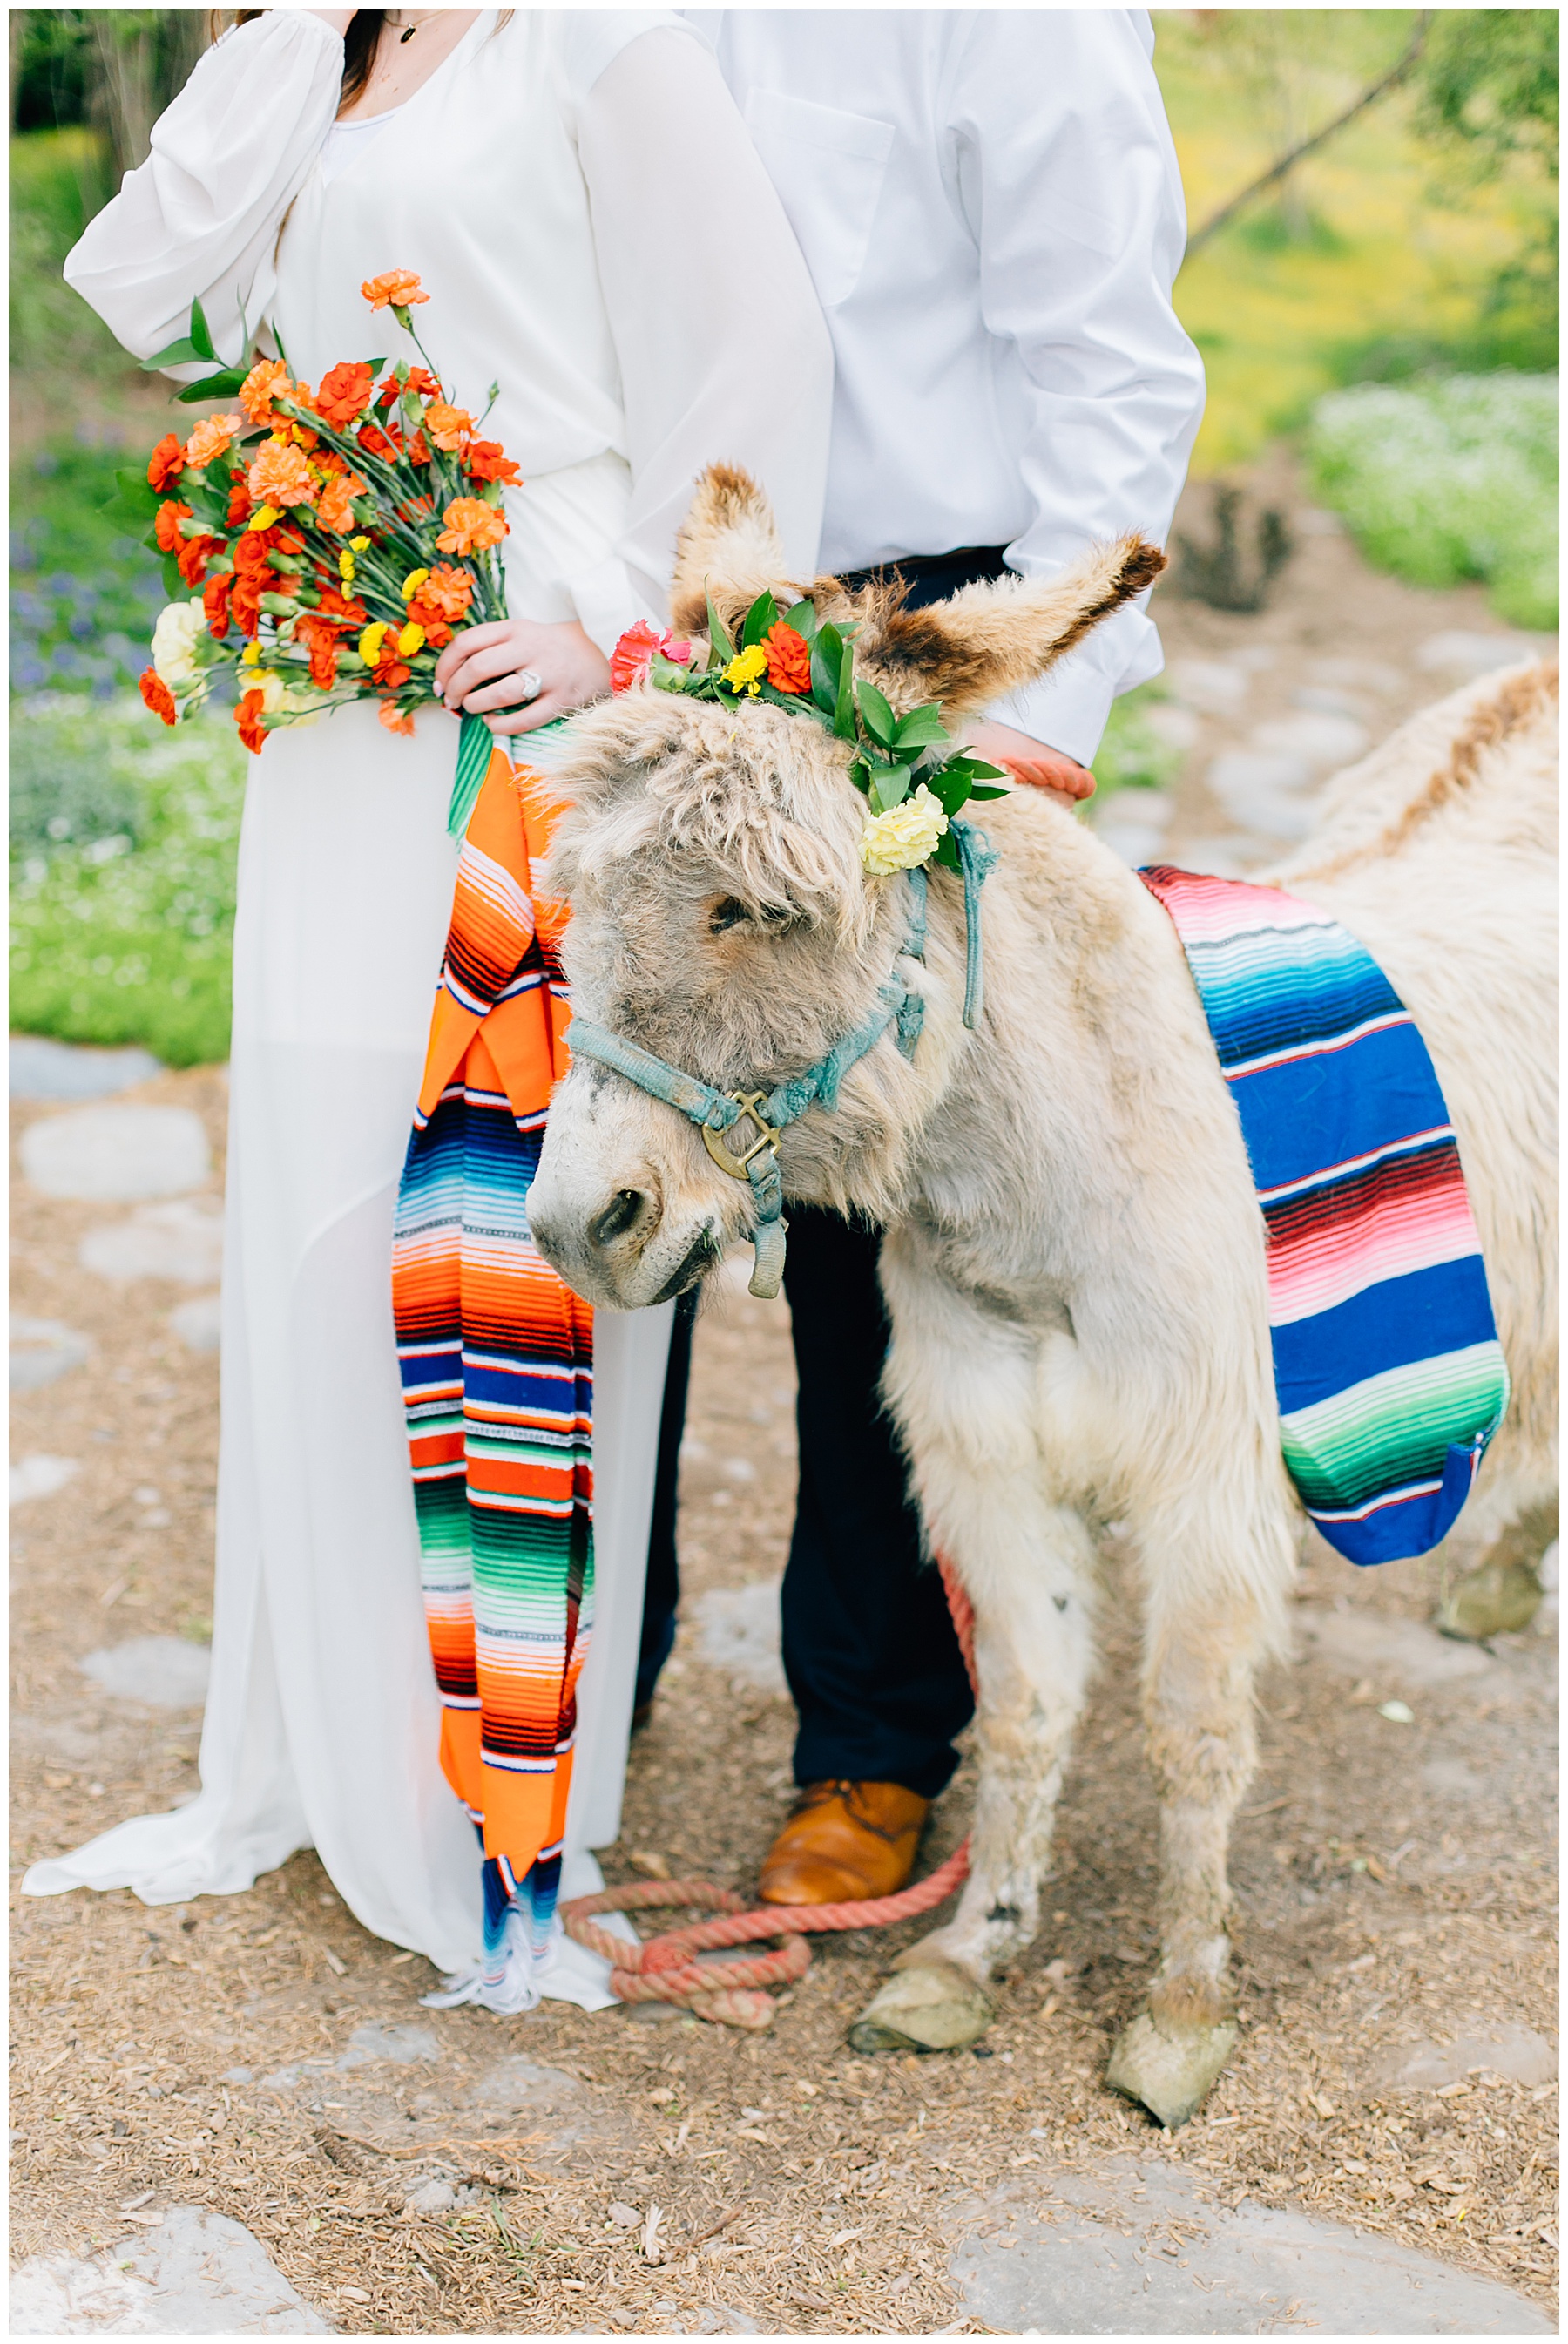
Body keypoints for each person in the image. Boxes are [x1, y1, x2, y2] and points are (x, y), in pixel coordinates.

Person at [25, 5, 830, 2010]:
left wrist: (632, 634)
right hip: (344, 697)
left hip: (529, 682)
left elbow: (757, 360)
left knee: (485, 1211)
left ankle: (496, 1780)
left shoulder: (594, 44)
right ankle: (323, 1746)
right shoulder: (326, 46)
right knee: (319, 1169)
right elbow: (141, 281)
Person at [639, 8, 1207, 1907]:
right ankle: (580, 1669)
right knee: (628, 1124)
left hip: (937, 621)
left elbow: (1111, 360)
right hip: (686, 604)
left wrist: (1040, 693)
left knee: (874, 1228)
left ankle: (875, 1741)